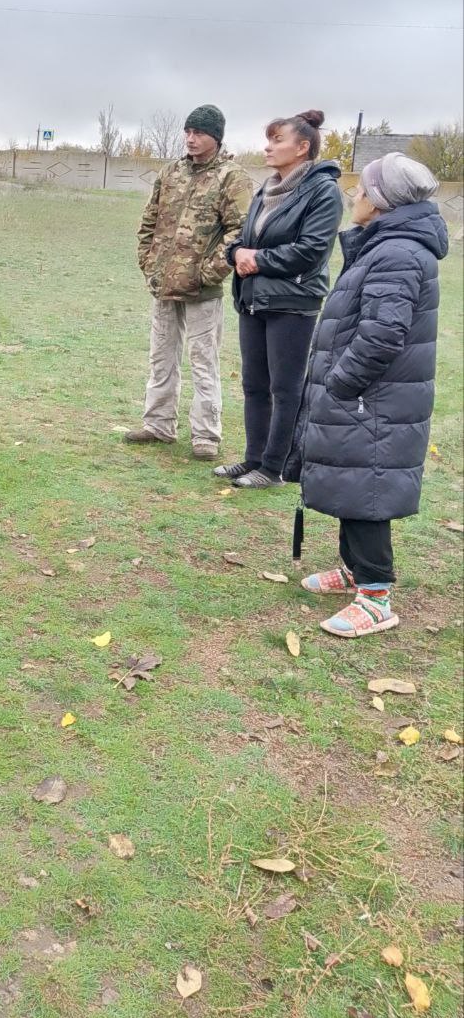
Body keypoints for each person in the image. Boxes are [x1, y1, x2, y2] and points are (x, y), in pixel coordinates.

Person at [290, 154, 447, 637]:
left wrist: (341, 383)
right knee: (351, 481)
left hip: (374, 400)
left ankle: (376, 594)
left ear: (378, 202)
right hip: (366, 397)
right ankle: (354, 569)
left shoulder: (397, 252)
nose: (353, 196)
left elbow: (383, 334)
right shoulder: (386, 245)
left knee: (369, 488)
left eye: (361, 190)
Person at [215, 110, 342, 488]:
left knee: (284, 389)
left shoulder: (323, 190)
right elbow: (247, 237)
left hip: (292, 302)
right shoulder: (267, 187)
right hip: (253, 298)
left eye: (277, 140)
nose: (268, 147)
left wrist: (257, 259)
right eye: (268, 139)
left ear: (302, 148)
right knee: (254, 384)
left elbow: (312, 250)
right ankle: (253, 458)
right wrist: (236, 252)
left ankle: (274, 469)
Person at [126, 104, 252, 460]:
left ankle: (206, 436)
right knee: (161, 356)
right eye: (188, 132)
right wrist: (148, 263)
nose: (191, 139)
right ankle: (158, 424)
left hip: (202, 290)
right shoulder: (171, 172)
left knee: (203, 361)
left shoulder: (232, 177)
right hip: (163, 284)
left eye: (199, 133)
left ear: (216, 137)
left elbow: (240, 231)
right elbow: (149, 220)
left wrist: (208, 273)